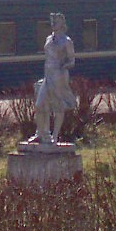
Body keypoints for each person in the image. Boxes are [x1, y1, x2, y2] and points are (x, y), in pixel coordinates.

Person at [28, 11, 77, 144]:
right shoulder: (49, 39)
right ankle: (42, 133)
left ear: (62, 23)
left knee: (58, 106)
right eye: (52, 21)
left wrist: (63, 65)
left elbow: (72, 60)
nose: (53, 23)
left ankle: (54, 136)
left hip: (59, 76)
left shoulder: (67, 41)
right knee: (39, 105)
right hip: (48, 74)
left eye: (55, 21)